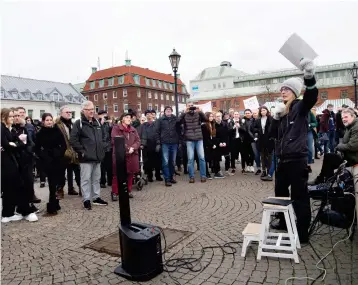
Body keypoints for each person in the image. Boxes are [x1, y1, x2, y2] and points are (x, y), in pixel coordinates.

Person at [269, 58, 318, 243]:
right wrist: (275, 116)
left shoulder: (300, 107)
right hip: (282, 160)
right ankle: (282, 222)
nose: (283, 91)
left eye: (287, 89)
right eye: (282, 89)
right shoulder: (283, 112)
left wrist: (309, 77)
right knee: (280, 194)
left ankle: (302, 232)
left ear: (295, 93)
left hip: (297, 160)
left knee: (300, 197)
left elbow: (311, 97)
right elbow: (272, 135)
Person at [1, 108, 38, 223]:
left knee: (13, 188)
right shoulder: (3, 129)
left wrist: (15, 144)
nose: (14, 118)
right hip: (8, 162)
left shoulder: (12, 129)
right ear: (4, 117)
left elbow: (21, 143)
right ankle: (11, 213)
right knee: (12, 187)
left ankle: (11, 212)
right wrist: (14, 145)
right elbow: (7, 144)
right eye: (11, 116)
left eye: (15, 116)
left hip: (17, 161)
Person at [70, 101, 108, 210]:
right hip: (86, 158)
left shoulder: (97, 122)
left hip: (97, 156)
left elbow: (104, 136)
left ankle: (96, 197)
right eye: (89, 109)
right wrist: (82, 151)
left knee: (97, 178)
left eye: (93, 109)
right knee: (86, 179)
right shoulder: (79, 123)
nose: (92, 111)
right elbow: (73, 140)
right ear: (83, 111)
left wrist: (103, 147)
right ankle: (86, 199)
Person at [35, 113, 67, 215]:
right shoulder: (40, 133)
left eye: (50, 120)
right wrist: (43, 156)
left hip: (58, 160)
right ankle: (52, 205)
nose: (49, 122)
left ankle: (56, 202)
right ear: (43, 121)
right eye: (47, 120)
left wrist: (59, 153)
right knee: (52, 184)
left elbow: (64, 145)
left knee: (60, 182)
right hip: (48, 161)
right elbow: (37, 148)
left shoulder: (57, 131)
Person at [111, 112, 140, 199]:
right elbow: (114, 140)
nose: (129, 119)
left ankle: (128, 190)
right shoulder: (116, 129)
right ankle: (115, 192)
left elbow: (138, 141)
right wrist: (128, 148)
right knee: (117, 174)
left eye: (130, 118)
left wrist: (133, 148)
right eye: (127, 117)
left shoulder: (133, 129)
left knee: (130, 174)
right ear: (122, 119)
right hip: (120, 155)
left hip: (132, 155)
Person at [56, 105, 80, 197]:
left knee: (76, 171)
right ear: (61, 113)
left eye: (70, 112)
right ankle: (60, 190)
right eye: (67, 112)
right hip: (63, 152)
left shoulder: (73, 124)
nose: (69, 113)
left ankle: (73, 188)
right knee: (61, 172)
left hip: (74, 151)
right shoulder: (58, 125)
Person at [180, 103, 207, 183]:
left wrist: (200, 110)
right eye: (189, 106)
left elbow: (205, 119)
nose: (191, 107)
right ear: (187, 107)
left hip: (199, 139)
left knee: (201, 158)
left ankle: (203, 176)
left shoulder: (198, 114)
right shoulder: (184, 114)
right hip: (189, 140)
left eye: (192, 105)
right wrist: (184, 112)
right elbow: (178, 121)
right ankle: (191, 177)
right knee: (190, 159)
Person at [155, 106, 180, 186]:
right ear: (164, 112)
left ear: (172, 111)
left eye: (170, 110)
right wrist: (158, 142)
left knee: (172, 162)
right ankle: (167, 179)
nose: (168, 111)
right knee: (165, 162)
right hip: (165, 143)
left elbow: (180, 129)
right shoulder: (160, 120)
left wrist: (179, 141)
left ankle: (171, 177)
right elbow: (157, 132)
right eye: (167, 110)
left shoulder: (176, 119)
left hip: (174, 143)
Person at [141, 110, 163, 182]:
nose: (148, 115)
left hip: (156, 144)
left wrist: (158, 143)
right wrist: (143, 144)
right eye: (147, 114)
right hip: (148, 145)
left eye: (150, 114)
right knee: (148, 162)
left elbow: (159, 134)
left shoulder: (157, 123)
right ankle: (150, 176)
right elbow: (143, 135)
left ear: (152, 115)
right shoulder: (143, 125)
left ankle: (158, 176)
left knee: (157, 161)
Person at [253, 106, 273, 178]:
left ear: (267, 111)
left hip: (268, 139)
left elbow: (273, 128)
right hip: (261, 139)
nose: (263, 112)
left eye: (264, 110)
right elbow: (254, 128)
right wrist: (258, 131)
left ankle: (269, 171)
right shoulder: (258, 120)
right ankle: (263, 171)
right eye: (261, 111)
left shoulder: (271, 118)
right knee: (262, 156)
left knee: (269, 156)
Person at [98, 110, 113, 188]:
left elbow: (112, 132)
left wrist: (110, 124)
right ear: (99, 116)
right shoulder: (97, 123)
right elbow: (96, 132)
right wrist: (101, 123)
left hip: (109, 147)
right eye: (103, 115)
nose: (104, 116)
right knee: (102, 166)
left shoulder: (108, 123)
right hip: (101, 147)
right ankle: (102, 182)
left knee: (110, 165)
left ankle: (110, 181)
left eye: (105, 114)